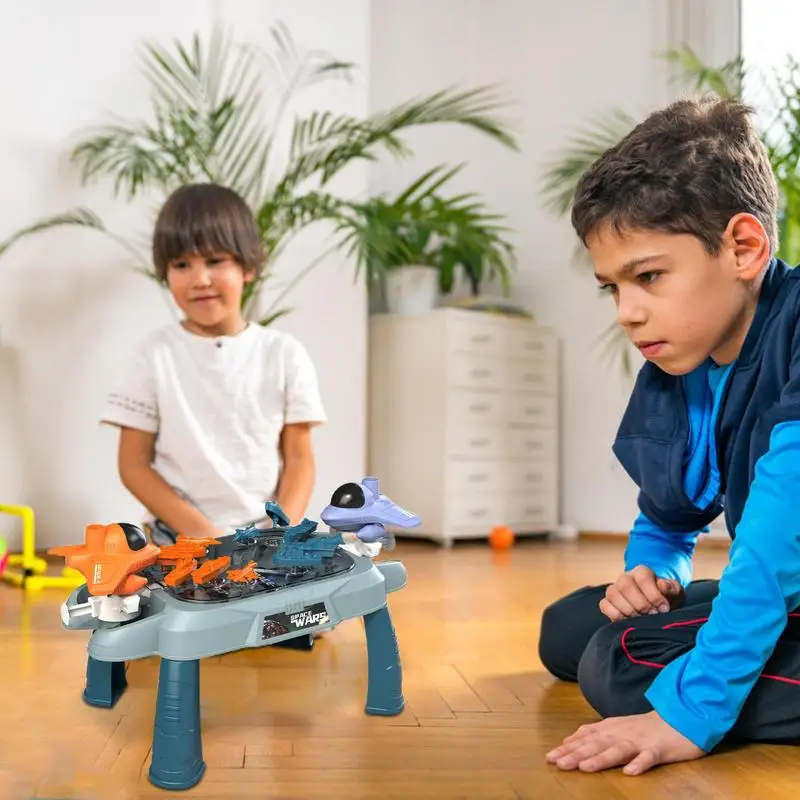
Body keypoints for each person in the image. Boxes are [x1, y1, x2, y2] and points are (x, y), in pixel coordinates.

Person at [538, 96, 800, 776]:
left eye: (649, 276)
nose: (627, 313)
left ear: (744, 246)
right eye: (612, 288)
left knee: (619, 664)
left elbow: (778, 534)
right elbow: (668, 519)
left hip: (786, 565)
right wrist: (650, 580)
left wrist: (693, 710)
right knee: (570, 629)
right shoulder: (679, 360)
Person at [100, 182, 327, 548]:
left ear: (248, 265)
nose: (199, 279)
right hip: (178, 537)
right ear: (165, 273)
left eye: (215, 260)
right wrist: (206, 535)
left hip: (265, 537)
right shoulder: (153, 354)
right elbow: (133, 466)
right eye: (182, 264)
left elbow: (299, 459)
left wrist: (281, 534)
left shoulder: (284, 353)